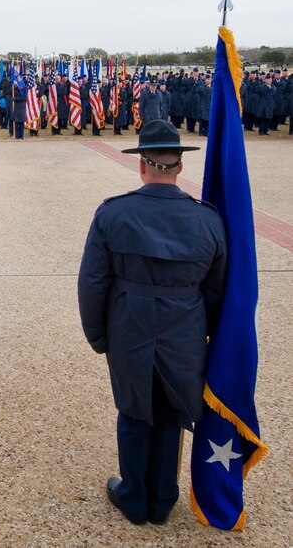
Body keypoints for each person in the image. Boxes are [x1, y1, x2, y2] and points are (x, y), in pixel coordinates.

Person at [77, 119, 227, 526]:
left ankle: (134, 496)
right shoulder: (209, 221)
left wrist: (98, 334)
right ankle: (162, 500)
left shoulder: (114, 213)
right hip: (186, 331)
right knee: (173, 412)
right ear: (180, 166)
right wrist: (208, 334)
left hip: (129, 326)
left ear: (142, 164)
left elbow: (92, 282)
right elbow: (216, 290)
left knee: (134, 411)